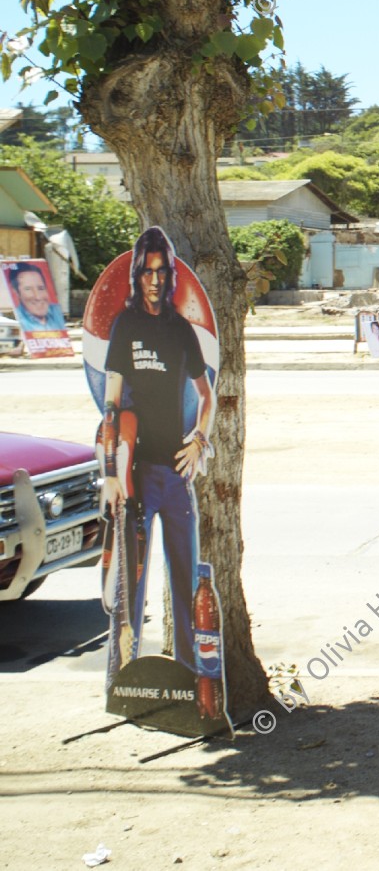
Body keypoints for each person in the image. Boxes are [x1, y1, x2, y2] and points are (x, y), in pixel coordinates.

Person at [98, 227, 214, 671]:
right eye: (146, 271)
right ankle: (120, 677)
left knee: (184, 581)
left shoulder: (180, 328)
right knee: (130, 588)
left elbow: (207, 395)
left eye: (161, 271)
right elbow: (111, 405)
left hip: (176, 477)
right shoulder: (126, 325)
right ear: (136, 276)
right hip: (136, 477)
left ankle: (188, 673)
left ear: (170, 277)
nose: (154, 279)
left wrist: (199, 439)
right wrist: (112, 473)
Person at [4, 261, 65, 333]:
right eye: (28, 289)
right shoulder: (17, 320)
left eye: (41, 288)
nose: (38, 297)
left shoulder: (56, 311)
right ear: (16, 292)